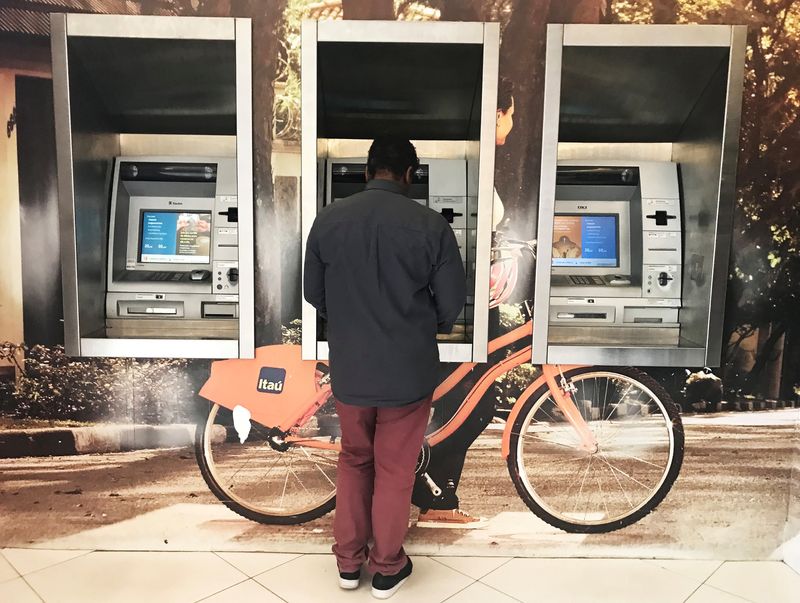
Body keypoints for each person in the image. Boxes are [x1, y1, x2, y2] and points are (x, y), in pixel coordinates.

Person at [304, 137, 466, 599]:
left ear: (367, 170)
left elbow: (315, 293)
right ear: (410, 174)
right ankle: (388, 568)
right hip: (407, 371)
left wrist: (352, 318)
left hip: (352, 370)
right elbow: (450, 304)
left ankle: (348, 565)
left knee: (355, 460)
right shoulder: (431, 226)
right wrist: (417, 320)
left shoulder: (328, 221)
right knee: (395, 469)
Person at [413, 76, 517, 528]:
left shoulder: (473, 163)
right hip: (461, 304)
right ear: (497, 113)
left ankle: (434, 493)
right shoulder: (467, 163)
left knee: (472, 399)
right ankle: (433, 496)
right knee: (468, 400)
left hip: (470, 300)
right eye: (511, 116)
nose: (512, 126)